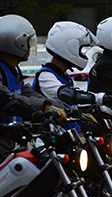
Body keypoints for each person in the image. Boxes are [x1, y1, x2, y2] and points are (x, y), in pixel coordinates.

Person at [0, 14, 66, 160]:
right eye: (28, 42)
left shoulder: (12, 69)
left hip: (9, 145)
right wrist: (41, 110)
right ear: (17, 43)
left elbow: (28, 93)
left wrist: (65, 109)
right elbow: (8, 98)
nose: (30, 47)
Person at [32, 21, 111, 130]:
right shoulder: (45, 75)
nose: (82, 54)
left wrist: (109, 104)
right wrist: (100, 98)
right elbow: (68, 95)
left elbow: (76, 103)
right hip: (51, 139)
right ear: (68, 47)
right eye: (80, 50)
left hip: (70, 136)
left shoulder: (65, 76)